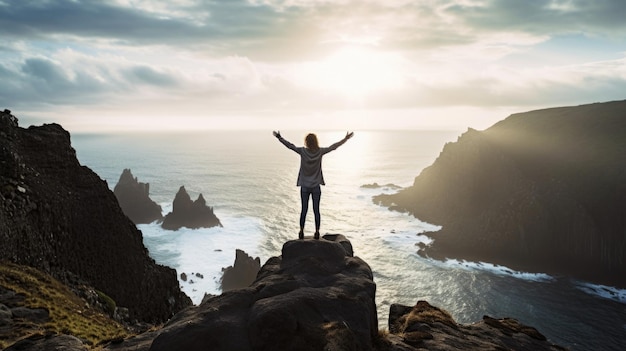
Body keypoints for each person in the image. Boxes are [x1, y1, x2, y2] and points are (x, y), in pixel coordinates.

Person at [273, 130, 354, 239]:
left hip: (305, 187)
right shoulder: (320, 152)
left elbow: (290, 146)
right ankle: (317, 231)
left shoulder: (302, 151)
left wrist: (279, 137)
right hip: (316, 186)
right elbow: (333, 147)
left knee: (304, 210)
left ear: (306, 142)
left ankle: (301, 231)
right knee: (316, 210)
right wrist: (346, 139)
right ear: (316, 141)